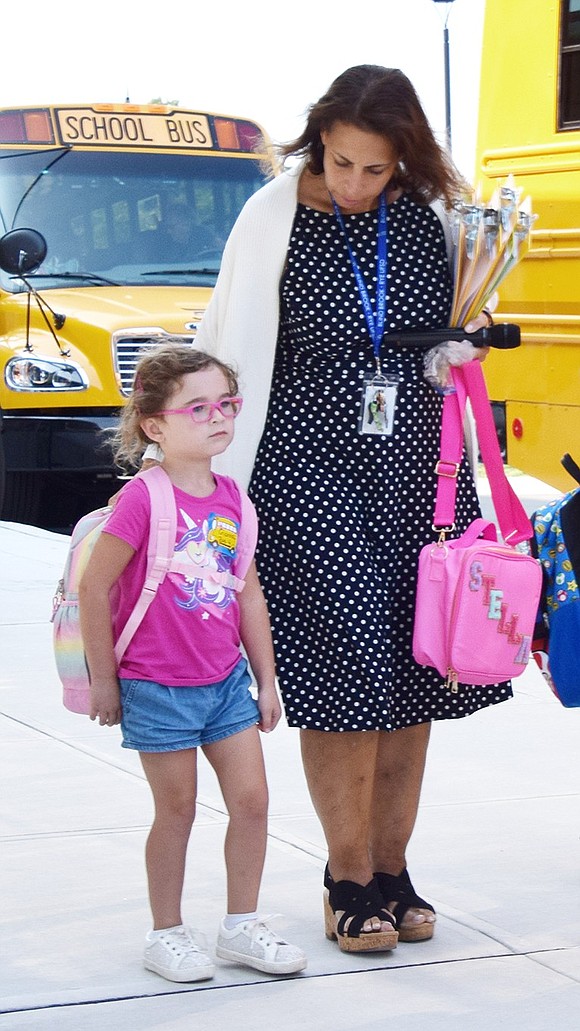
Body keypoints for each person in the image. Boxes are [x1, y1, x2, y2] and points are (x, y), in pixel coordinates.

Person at [147, 65, 511, 953]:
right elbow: (226, 337)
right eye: (341, 163)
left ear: (405, 161)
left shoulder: (430, 223)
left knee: (419, 661)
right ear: (319, 142)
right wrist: (193, 465)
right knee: (348, 655)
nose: (352, 185)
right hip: (306, 462)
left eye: (373, 169)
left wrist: (463, 341)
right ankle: (346, 876)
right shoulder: (272, 214)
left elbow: (461, 323)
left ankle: (393, 869)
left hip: (419, 463)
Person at [79, 344, 306, 983]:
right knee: (176, 811)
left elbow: (247, 592)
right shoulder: (142, 500)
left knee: (254, 803)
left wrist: (265, 680)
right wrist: (105, 680)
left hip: (225, 682)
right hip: (157, 686)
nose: (217, 418)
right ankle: (167, 932)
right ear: (155, 425)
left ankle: (239, 926)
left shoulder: (234, 497)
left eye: (226, 405)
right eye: (198, 407)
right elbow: (95, 588)